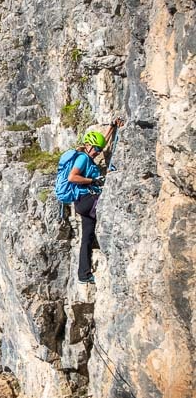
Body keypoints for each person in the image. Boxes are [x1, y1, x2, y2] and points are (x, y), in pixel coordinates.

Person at [54, 118, 124, 284]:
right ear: (88, 146)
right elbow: (72, 177)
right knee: (109, 210)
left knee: (87, 238)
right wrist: (92, 181)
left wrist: (111, 129)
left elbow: (102, 144)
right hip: (87, 199)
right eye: (95, 149)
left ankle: (83, 275)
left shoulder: (88, 155)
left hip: (82, 203)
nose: (98, 152)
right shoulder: (83, 159)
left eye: (99, 149)